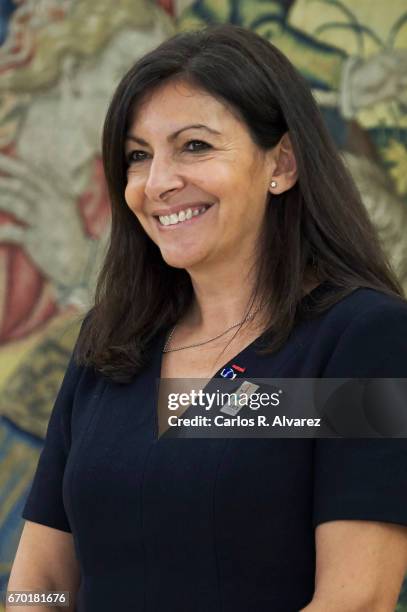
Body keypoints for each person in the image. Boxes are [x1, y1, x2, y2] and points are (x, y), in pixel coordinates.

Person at [7, 24, 407, 612]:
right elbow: (40, 582)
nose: (158, 182)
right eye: (138, 156)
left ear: (284, 163)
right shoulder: (110, 344)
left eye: (194, 146)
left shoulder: (362, 338)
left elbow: (356, 599)